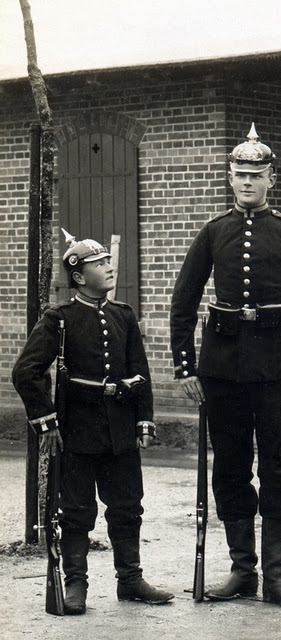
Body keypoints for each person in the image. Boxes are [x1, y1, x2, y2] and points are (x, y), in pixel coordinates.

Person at [170, 124, 281, 608]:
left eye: (255, 175)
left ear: (270, 180)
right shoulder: (213, 231)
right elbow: (183, 302)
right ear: (229, 177)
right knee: (230, 470)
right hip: (221, 372)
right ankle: (243, 571)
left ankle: (276, 575)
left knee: (277, 470)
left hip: (275, 372)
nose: (246, 182)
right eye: (239, 174)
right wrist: (186, 367)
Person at [12, 229, 174, 615]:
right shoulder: (60, 319)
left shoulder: (123, 315)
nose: (109, 267)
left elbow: (140, 371)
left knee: (127, 507)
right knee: (76, 512)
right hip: (77, 432)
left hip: (120, 431)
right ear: (79, 276)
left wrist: (144, 421)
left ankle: (130, 580)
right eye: (99, 264)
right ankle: (76, 585)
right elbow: (25, 372)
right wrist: (47, 422)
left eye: (107, 261)